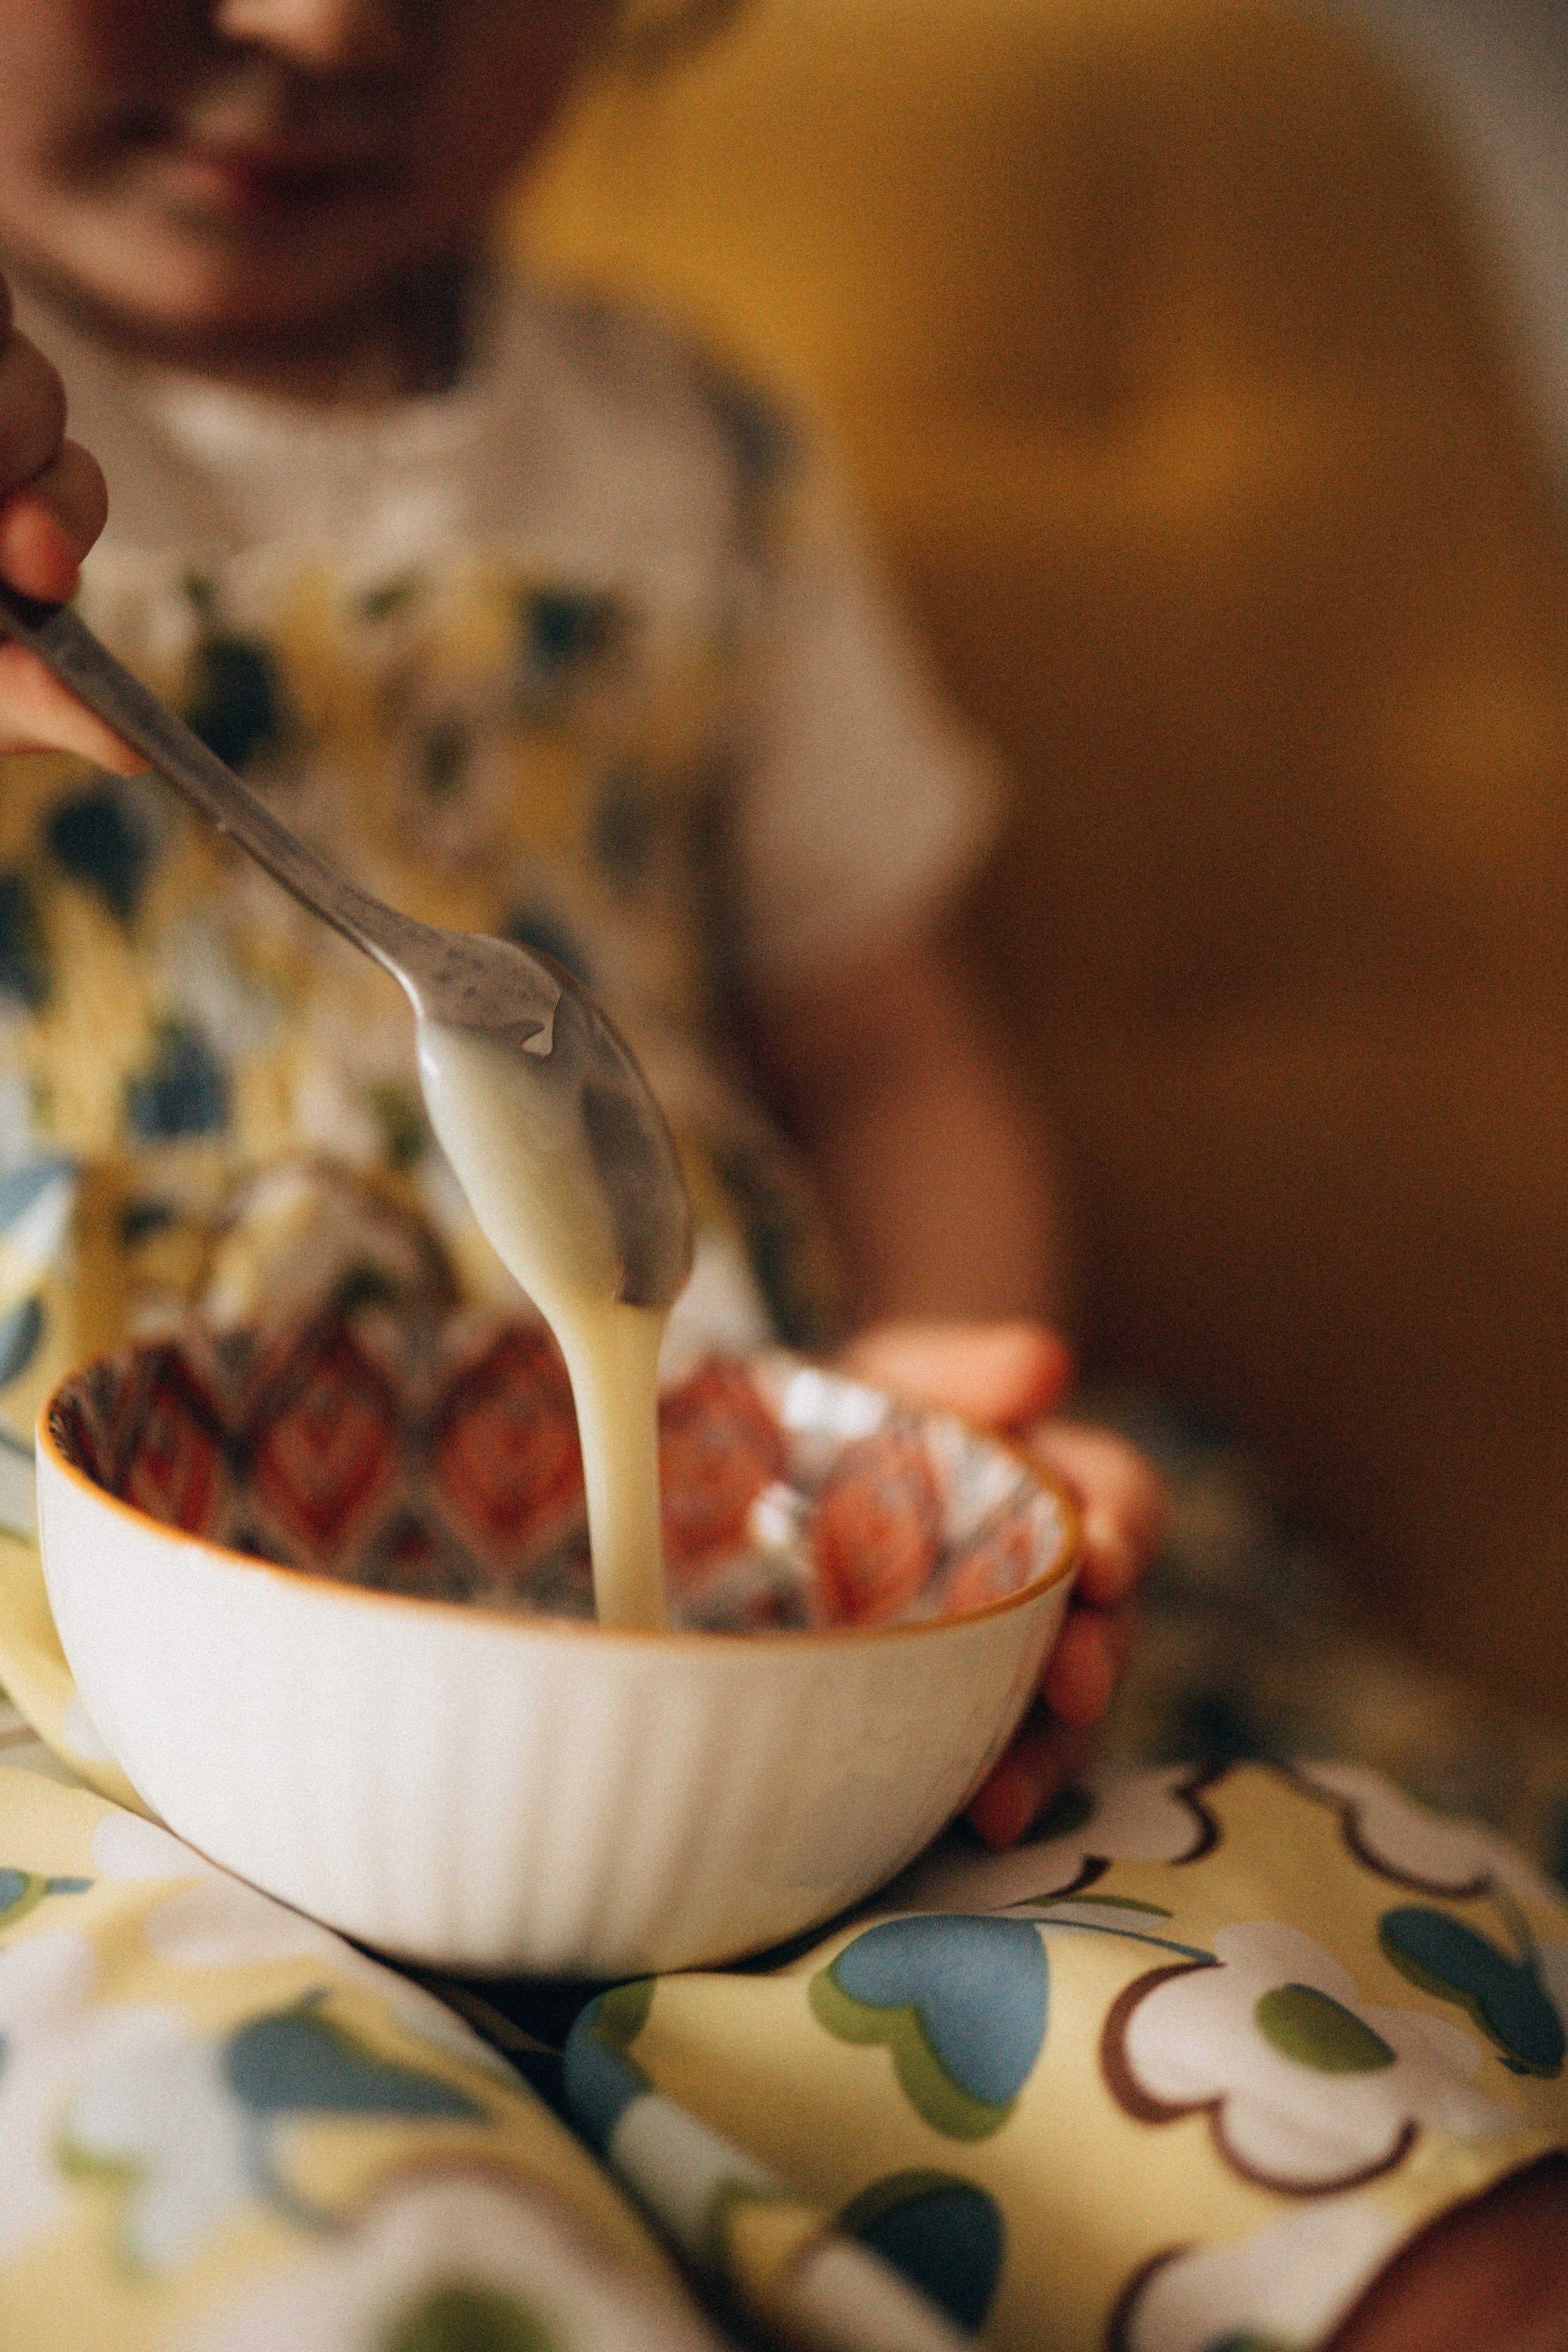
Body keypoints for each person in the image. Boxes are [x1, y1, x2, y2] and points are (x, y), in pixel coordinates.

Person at [0, 6, 1556, 2350]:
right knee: (264, 2197)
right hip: (80, 1698)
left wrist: (936, 1390)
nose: (323, 24)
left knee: (1295, 2063)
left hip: (744, 1653)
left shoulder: (686, 460)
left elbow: (888, 1038)